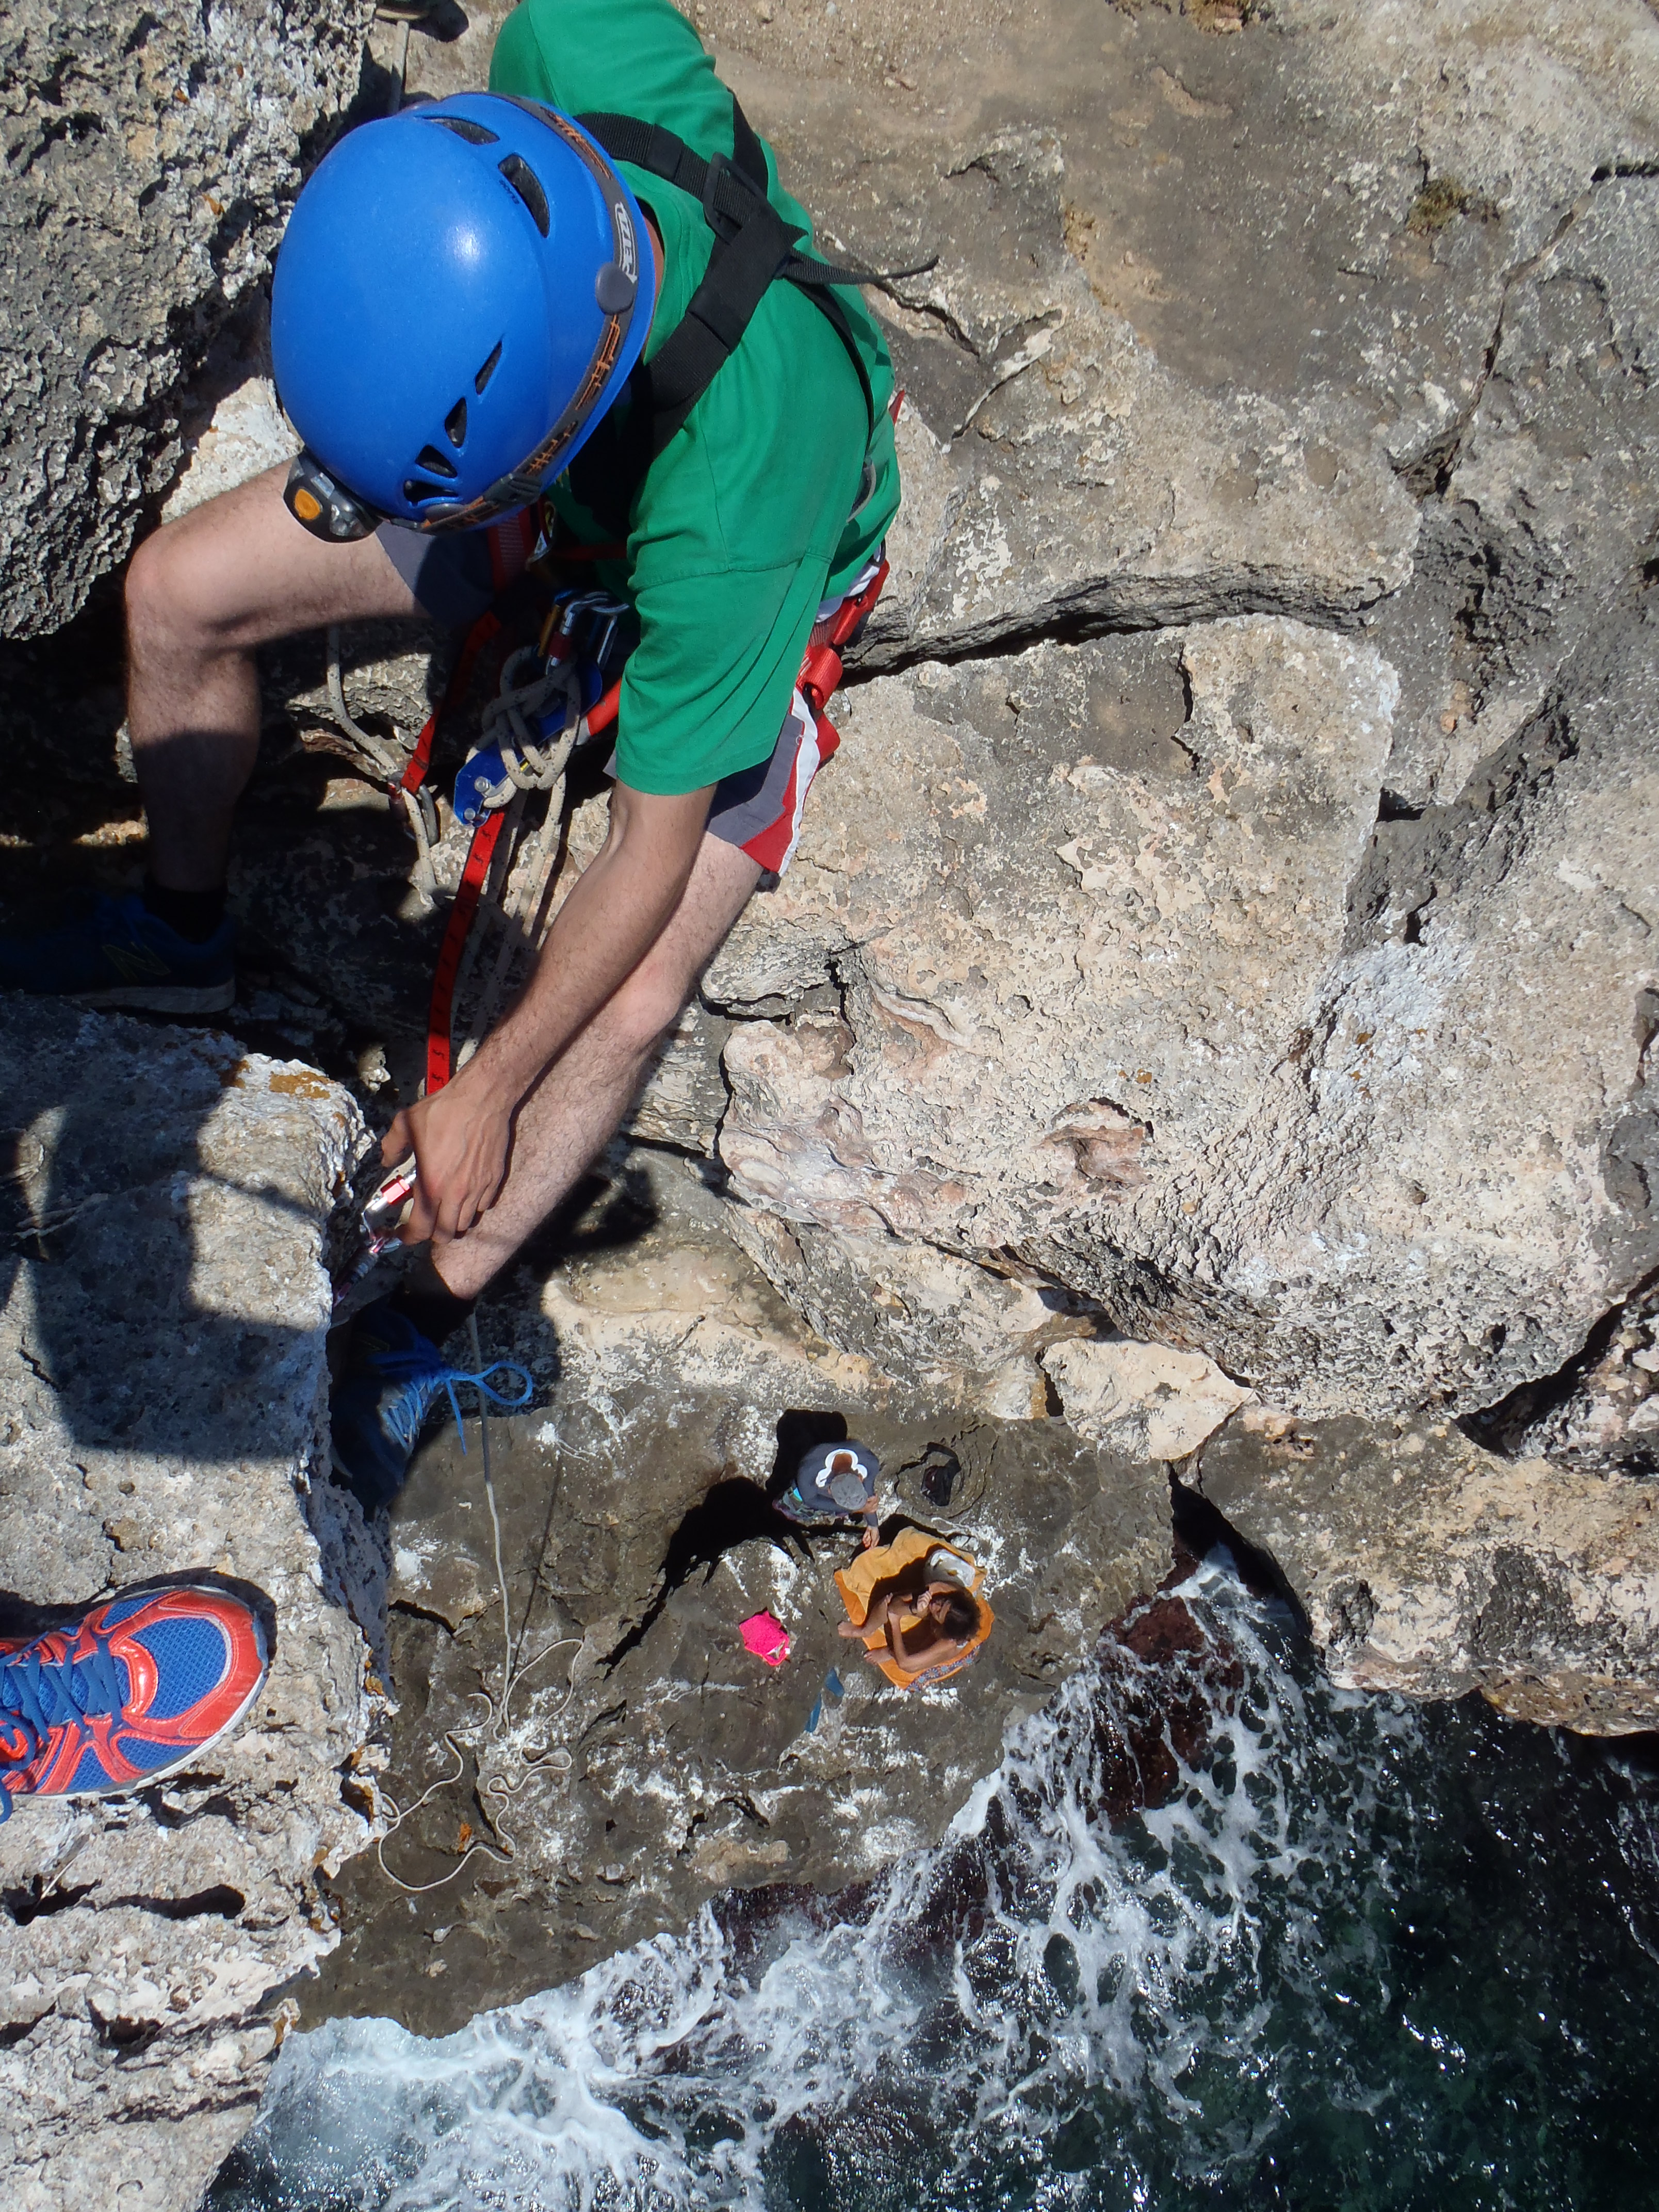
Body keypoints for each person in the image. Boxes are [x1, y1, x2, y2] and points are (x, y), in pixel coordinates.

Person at [0, 0, 901, 1516]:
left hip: (721, 554)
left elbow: (649, 849)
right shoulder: (571, 52)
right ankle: (178, 928)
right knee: (177, 595)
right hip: (539, 470)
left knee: (633, 997)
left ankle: (419, 1330)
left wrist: (486, 1085)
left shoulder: (733, 516)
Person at [837, 1568, 985, 1684]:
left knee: (911, 1651)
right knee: (887, 1604)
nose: (936, 1605)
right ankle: (866, 1631)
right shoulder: (941, 1590)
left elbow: (906, 1664)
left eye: (939, 1612)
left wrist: (895, 1624)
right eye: (943, 1602)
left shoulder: (948, 1644)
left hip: (948, 1636)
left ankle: (889, 1652)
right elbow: (893, 1605)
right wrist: (913, 1608)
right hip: (946, 1606)